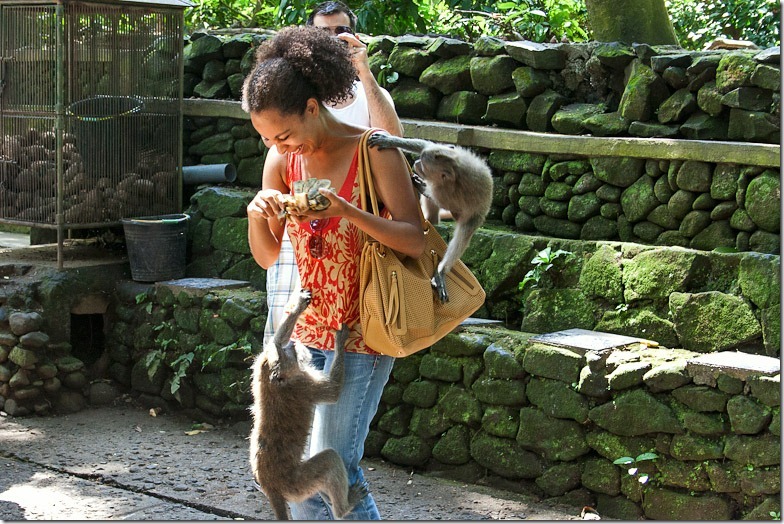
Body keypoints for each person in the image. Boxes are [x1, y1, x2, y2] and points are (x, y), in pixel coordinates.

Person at [242, 26, 424, 520]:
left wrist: (348, 210)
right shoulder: (283, 159)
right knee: (310, 481)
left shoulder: (375, 151)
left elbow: (416, 237)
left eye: (283, 133)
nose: (280, 145)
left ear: (311, 107)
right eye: (266, 138)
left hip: (364, 329)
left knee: (334, 469)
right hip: (305, 334)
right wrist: (259, 214)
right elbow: (266, 255)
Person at [263, 0, 403, 347]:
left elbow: (394, 145)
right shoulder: (295, 101)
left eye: (340, 31)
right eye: (321, 33)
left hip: (357, 240)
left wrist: (364, 72)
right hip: (303, 236)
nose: (332, 39)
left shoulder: (369, 96)